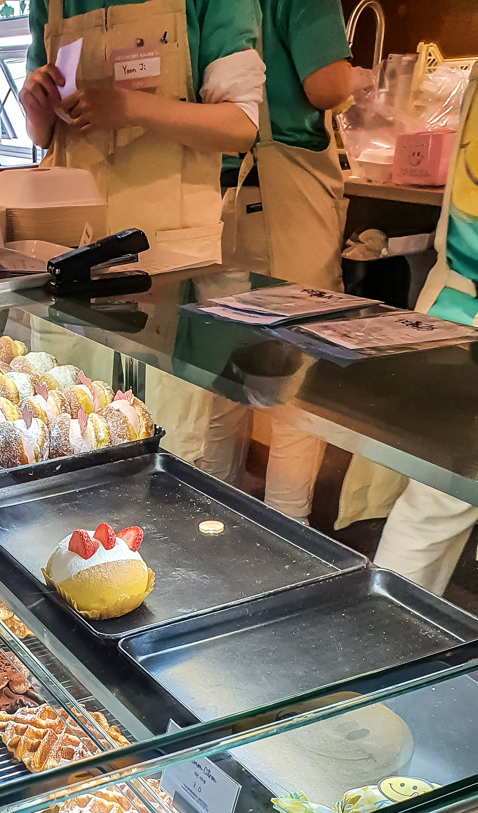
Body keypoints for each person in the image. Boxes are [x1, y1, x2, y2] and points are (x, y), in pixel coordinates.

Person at [198, 0, 353, 523]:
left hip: (216, 198)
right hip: (286, 198)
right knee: (295, 387)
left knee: (220, 376)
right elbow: (327, 85)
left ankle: (206, 520)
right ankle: (289, 535)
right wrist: (359, 79)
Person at [339, 66, 478, 593]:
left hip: (455, 304)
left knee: (434, 502)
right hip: (461, 305)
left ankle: (380, 636)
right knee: (438, 500)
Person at [21, 0, 263, 252]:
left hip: (170, 245)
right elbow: (43, 138)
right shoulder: (48, 4)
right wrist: (36, 110)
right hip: (70, 244)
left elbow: (240, 126)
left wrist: (131, 108)